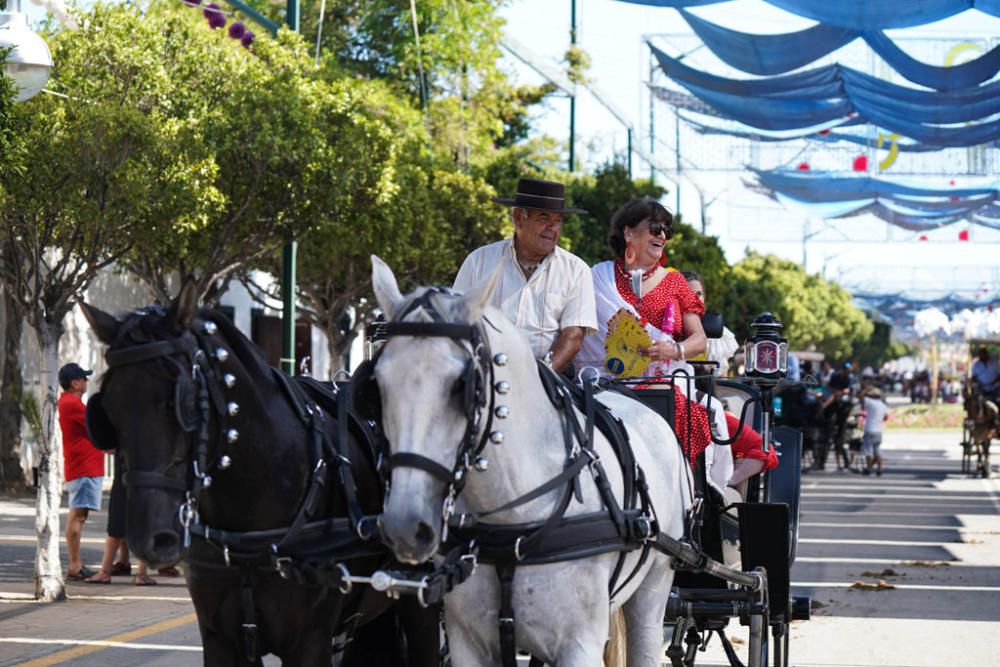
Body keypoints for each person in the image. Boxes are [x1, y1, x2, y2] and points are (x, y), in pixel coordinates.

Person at [575, 197, 710, 463]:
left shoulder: (675, 282)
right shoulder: (595, 277)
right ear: (628, 232)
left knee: (684, 411)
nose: (662, 235)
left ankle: (689, 493)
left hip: (658, 384)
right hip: (601, 381)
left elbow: (700, 340)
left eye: (666, 231)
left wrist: (675, 349)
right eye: (654, 228)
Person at [453, 177, 597, 373]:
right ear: (519, 218)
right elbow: (457, 321)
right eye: (544, 218)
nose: (552, 228)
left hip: (547, 379)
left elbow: (573, 337)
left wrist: (539, 378)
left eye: (558, 221)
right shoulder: (478, 261)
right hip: (483, 375)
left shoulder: (576, 270)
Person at [58, 363, 103, 581]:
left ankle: (75, 563)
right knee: (78, 516)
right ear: (75, 383)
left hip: (84, 467)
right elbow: (97, 426)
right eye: (83, 379)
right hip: (83, 468)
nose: (86, 382)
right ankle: (75, 565)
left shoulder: (70, 402)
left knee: (78, 515)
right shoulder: (72, 404)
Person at [85, 450, 157, 585]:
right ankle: (141, 574)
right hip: (146, 472)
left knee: (117, 524)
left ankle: (105, 572)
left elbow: (107, 445)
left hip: (125, 469)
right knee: (144, 524)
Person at [860, 385, 888, 476]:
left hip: (869, 429)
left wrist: (866, 388)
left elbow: (861, 396)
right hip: (878, 430)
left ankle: (868, 468)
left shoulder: (870, 402)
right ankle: (879, 469)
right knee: (877, 450)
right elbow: (885, 417)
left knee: (868, 450)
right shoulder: (883, 405)